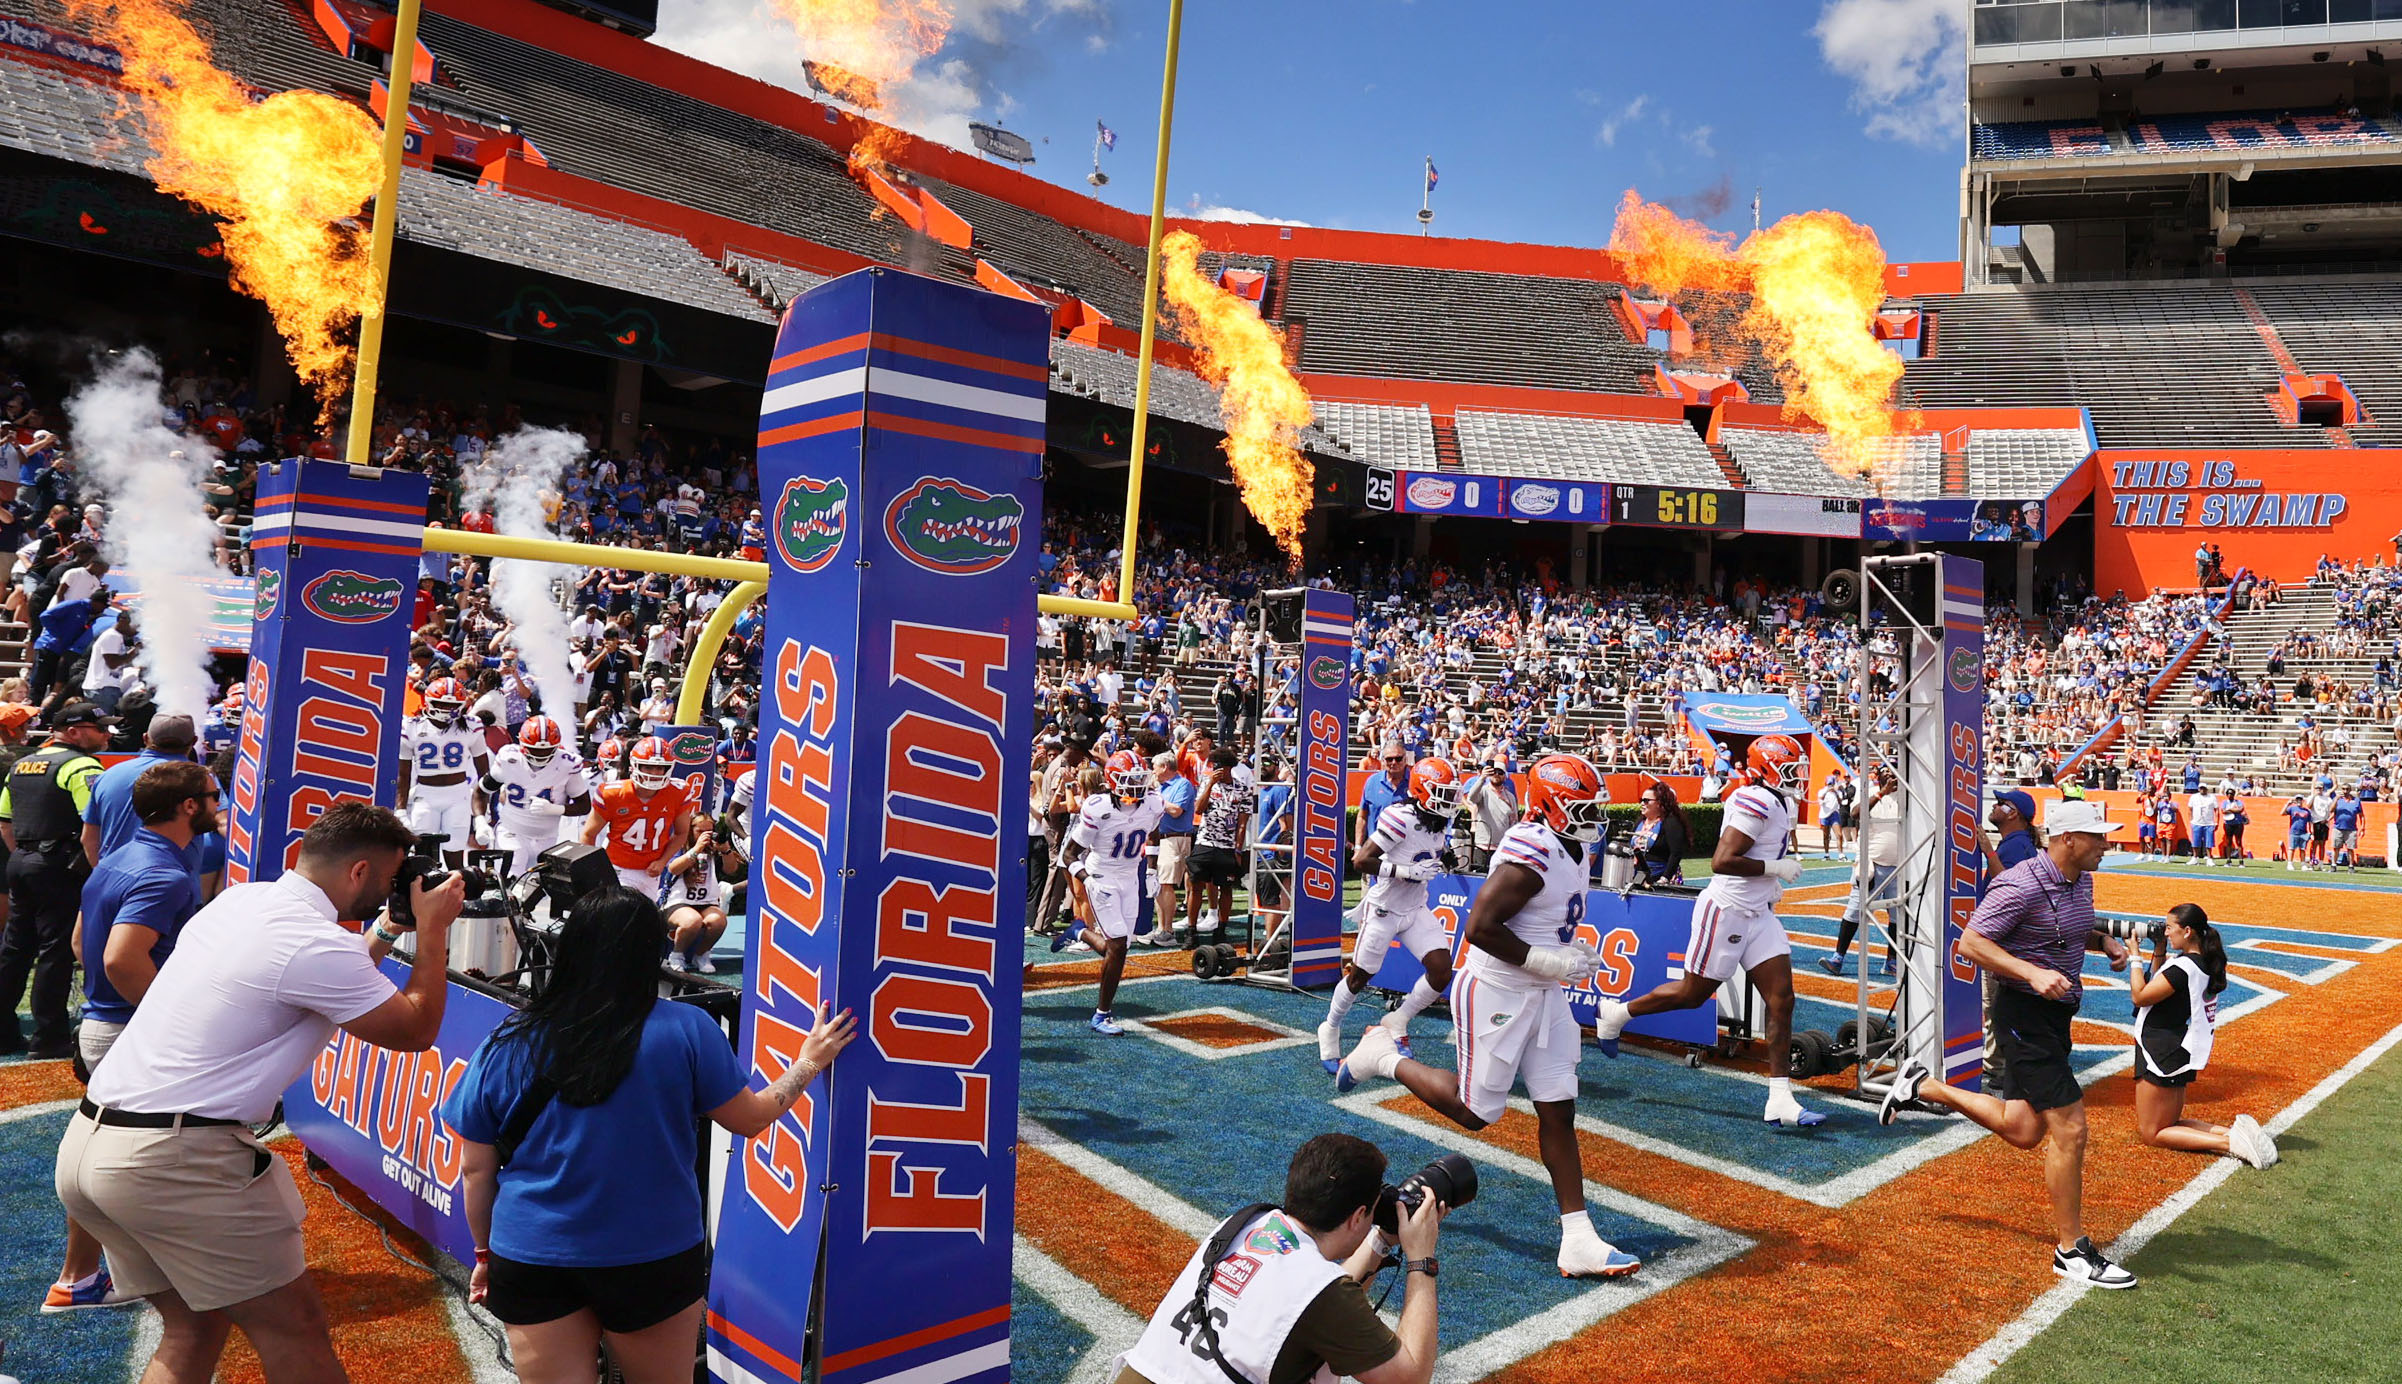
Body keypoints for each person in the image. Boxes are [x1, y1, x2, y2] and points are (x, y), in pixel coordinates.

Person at [55, 802, 465, 1381]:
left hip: (93, 1142)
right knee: (293, 1330)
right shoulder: (313, 944)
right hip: (174, 1158)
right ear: (359, 873)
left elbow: (320, 976)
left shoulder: (242, 900)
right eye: (390, 877)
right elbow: (414, 1029)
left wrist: (387, 928)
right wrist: (434, 933)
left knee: (194, 1328)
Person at [444, 889, 855, 1384]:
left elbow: (475, 1170)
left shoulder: (509, 1038)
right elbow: (751, 1118)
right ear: (651, 952)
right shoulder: (688, 1029)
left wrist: (485, 1254)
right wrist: (809, 1062)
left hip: (533, 1252)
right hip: (653, 1254)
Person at [1334, 753, 1643, 1279]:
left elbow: (1547, 921)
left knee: (1558, 1108)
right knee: (1478, 1114)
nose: (1594, 816)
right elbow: (1479, 926)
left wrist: (1569, 954)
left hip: (1541, 994)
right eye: (1581, 805)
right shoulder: (1532, 846)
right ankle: (1383, 1056)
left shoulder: (1570, 845)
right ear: (1551, 804)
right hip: (1497, 990)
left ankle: (1578, 1237)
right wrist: (1549, 959)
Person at [1880, 799, 2136, 1289]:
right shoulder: (2018, 883)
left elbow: (2067, 930)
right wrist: (2031, 972)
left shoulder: (2081, 879)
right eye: (2098, 837)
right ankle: (2071, 1251)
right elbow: (1971, 944)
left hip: (2056, 1015)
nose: (2107, 844)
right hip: (2024, 1014)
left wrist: (2102, 942)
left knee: (2022, 1129)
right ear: (2068, 840)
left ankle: (1924, 1086)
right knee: (2071, 1130)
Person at [48, 760, 215, 1313]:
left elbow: (81, 941)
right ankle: (108, 1276)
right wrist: (169, 1017)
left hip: (105, 1024)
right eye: (212, 795)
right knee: (172, 1157)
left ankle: (80, 1277)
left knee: (105, 1156)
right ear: (189, 806)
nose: (220, 804)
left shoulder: (122, 856)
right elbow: (122, 958)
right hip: (127, 1031)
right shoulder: (162, 872)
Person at [1597, 735, 1824, 1129]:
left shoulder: (1777, 799)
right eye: (1791, 767)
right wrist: (1774, 870)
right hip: (1728, 911)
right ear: (1769, 767)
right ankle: (1617, 1013)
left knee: (1782, 999)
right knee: (1692, 993)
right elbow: (1722, 861)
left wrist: (1771, 879)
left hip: (1757, 912)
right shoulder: (1757, 799)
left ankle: (1780, 1099)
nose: (1798, 776)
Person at [1115, 1133, 1442, 1384]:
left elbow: (1317, 1300)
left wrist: (1383, 1240)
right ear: (1358, 1216)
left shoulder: (1246, 1224)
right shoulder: (1320, 1293)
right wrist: (1421, 1259)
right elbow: (1409, 1377)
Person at [1319, 758, 1460, 1071]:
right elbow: (1361, 861)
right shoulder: (1400, 816)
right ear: (1424, 791)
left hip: (1414, 907)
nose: (1450, 801)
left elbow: (1431, 848)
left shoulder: (1437, 819)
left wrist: (1446, 857)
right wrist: (1408, 870)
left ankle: (1398, 1019)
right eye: (1443, 793)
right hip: (1384, 908)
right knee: (1359, 977)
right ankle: (1329, 1026)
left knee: (1441, 970)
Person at [0, 700, 111, 1058]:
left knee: (15, 950)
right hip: (58, 866)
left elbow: (5, 821)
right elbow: (93, 822)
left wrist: (26, 853)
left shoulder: (21, 763)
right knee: (55, 950)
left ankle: (4, 1033)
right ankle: (49, 1037)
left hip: (21, 860)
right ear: (74, 731)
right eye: (100, 727)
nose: (107, 733)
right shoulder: (81, 765)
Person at [2127, 904, 2276, 1168]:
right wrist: (2159, 949)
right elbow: (2157, 984)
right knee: (2169, 1123)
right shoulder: (2201, 963)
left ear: (2187, 931)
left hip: (2159, 1048)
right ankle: (2234, 1134)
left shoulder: (2182, 967)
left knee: (2153, 1132)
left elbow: (2140, 995)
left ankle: (2231, 1144)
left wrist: (2135, 956)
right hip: (2177, 1045)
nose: (2166, 932)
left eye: (2169, 927)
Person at [1052, 749, 1168, 1035]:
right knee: (1116, 945)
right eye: (1130, 780)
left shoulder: (1152, 803)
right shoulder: (1097, 807)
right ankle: (1101, 1015)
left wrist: (1151, 868)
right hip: (1101, 876)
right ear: (1113, 781)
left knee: (1119, 948)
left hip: (1130, 878)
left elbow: (1153, 834)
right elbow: (1069, 855)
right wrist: (1086, 878)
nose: (1137, 786)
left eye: (1140, 779)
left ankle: (1079, 931)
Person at [479, 716, 593, 879]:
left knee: (536, 887)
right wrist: (480, 820)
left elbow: (584, 805)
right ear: (522, 744)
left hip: (548, 837)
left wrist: (556, 809)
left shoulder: (567, 764)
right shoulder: (509, 757)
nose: (540, 754)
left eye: (546, 750)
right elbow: (481, 790)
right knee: (510, 879)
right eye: (535, 749)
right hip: (512, 831)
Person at [581, 736, 695, 897]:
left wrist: (663, 861)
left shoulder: (678, 792)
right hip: (617, 867)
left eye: (660, 768)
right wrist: (593, 870)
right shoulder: (613, 793)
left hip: (650, 871)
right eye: (648, 767)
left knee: (644, 919)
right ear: (634, 765)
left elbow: (681, 833)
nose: (654, 774)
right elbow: (588, 834)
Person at [400, 677, 492, 869]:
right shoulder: (413, 726)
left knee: (455, 856)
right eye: (441, 703)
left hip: (457, 795)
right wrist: (400, 809)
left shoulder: (471, 726)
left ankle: (455, 897)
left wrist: (483, 812)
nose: (445, 709)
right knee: (423, 858)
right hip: (426, 794)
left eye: (451, 705)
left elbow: (484, 774)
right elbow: (404, 773)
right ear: (429, 701)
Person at [1823, 762, 1900, 978]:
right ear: (1878, 776)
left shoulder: (1906, 795)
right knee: (1854, 912)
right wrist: (1882, 794)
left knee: (1897, 917)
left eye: (1893, 771)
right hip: (1872, 864)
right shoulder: (1870, 792)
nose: (1890, 775)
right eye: (1885, 772)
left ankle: (1891, 961)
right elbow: (1856, 813)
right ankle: (1838, 957)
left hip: (1899, 865)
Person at [1187, 747, 1252, 954]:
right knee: (1196, 884)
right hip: (1205, 841)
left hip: (1226, 846)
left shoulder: (1242, 789)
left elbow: (1242, 823)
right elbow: (1198, 809)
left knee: (1225, 887)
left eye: (1220, 766)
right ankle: (1191, 930)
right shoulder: (1207, 782)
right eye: (1214, 766)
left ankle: (1221, 929)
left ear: (1229, 768)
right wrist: (1210, 785)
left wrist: (1238, 849)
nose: (1216, 770)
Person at [659, 817, 731, 973]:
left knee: (718, 921)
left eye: (709, 831)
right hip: (677, 902)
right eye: (699, 831)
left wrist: (726, 850)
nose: (705, 835)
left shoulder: (713, 849)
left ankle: (702, 955)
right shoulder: (679, 846)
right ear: (690, 830)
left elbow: (731, 870)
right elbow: (673, 869)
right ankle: (676, 956)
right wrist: (696, 849)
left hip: (705, 902)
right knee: (692, 921)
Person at [1629, 780, 1690, 885]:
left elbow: (1676, 853)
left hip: (1660, 877)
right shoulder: (1640, 822)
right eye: (1641, 800)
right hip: (1638, 875)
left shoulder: (1670, 822)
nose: (1642, 804)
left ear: (1659, 803)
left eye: (1646, 800)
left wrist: (1665, 878)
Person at [1464, 759, 1516, 873]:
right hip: (1482, 847)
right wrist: (1482, 778)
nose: (1497, 775)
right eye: (1494, 771)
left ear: (1505, 776)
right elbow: (1471, 797)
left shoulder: (1510, 797)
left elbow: (1514, 822)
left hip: (1501, 850)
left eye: (1500, 772)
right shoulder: (1483, 791)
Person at [2329, 787, 2362, 870]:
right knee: (2336, 847)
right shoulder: (2338, 800)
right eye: (2343, 789)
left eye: (2347, 789)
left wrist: (2362, 827)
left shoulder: (2356, 800)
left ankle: (2351, 865)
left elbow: (2361, 815)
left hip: (2351, 828)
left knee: (2350, 848)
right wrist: (2336, 799)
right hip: (2338, 827)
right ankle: (2333, 865)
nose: (2345, 791)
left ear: (2350, 790)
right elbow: (2331, 810)